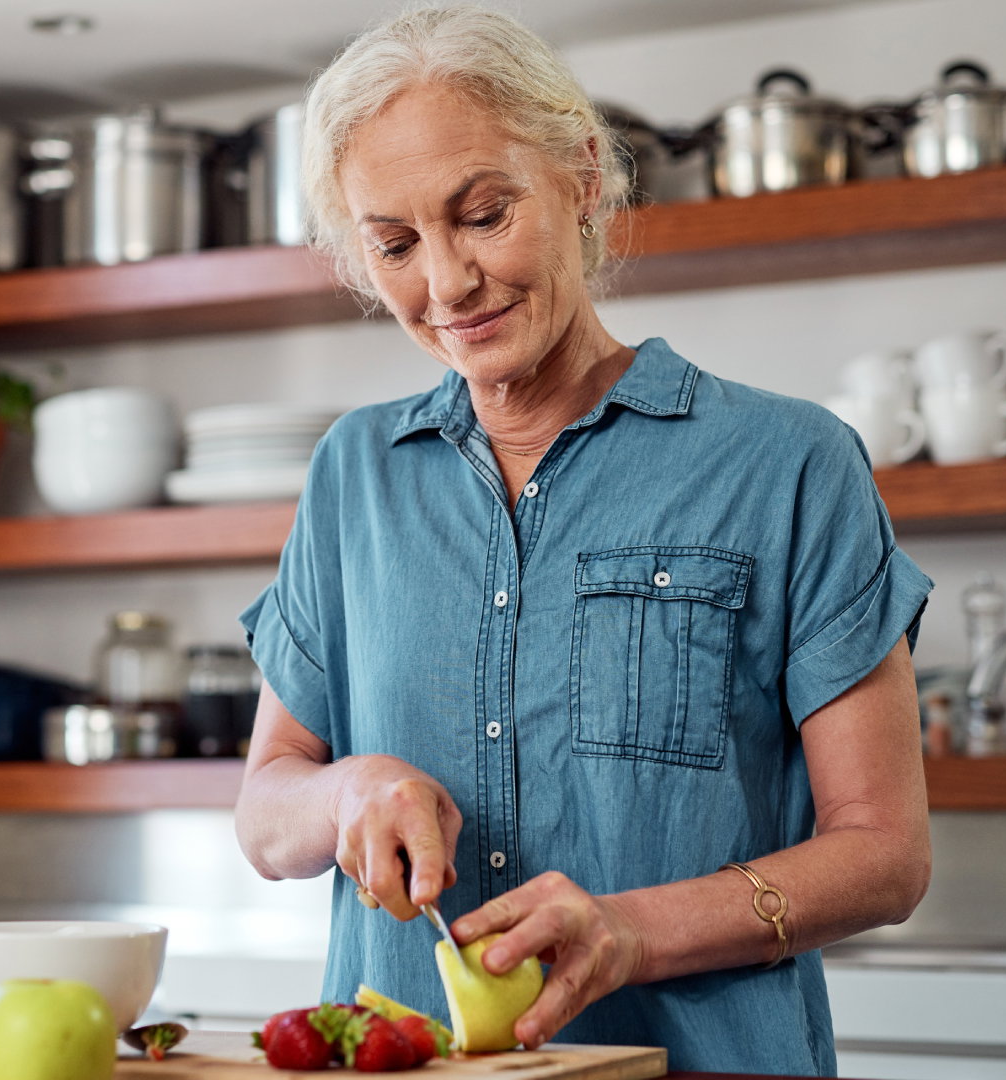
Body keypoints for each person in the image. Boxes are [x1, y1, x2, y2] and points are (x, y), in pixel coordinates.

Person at [232, 7, 934, 1076]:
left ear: (582, 176)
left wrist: (631, 931)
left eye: (484, 214)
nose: (448, 283)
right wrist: (348, 790)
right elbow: (267, 812)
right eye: (396, 245)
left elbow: (885, 856)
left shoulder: (790, 463)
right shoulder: (354, 473)